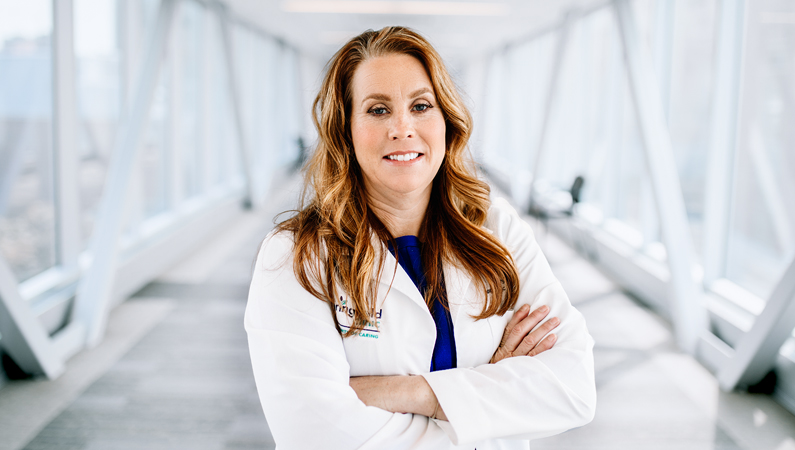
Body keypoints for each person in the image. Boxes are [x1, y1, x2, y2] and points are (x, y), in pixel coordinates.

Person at [245, 26, 596, 450]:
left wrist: (412, 394)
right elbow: (315, 433)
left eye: (421, 105)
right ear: (345, 130)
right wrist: (486, 395)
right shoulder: (294, 257)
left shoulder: (498, 230)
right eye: (377, 110)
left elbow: (573, 388)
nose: (402, 127)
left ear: (445, 120)